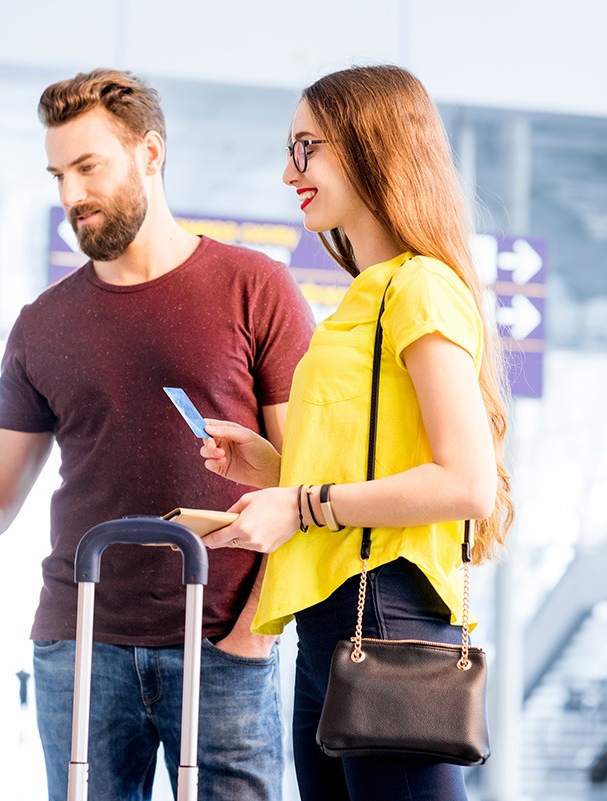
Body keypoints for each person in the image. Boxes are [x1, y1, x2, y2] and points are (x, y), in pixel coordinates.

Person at [0, 69, 314, 800]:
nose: (70, 195)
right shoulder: (43, 323)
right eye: (59, 173)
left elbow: (305, 482)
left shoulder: (257, 288)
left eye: (88, 167)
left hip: (219, 643)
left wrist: (253, 637)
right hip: (79, 641)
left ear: (149, 154)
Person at [198, 65, 515, 801]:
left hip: (386, 614)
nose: (288, 171)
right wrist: (277, 470)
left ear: (370, 146)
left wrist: (301, 503)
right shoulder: (365, 298)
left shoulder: (421, 287)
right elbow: (381, 462)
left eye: (306, 147)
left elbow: (463, 482)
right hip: (335, 624)